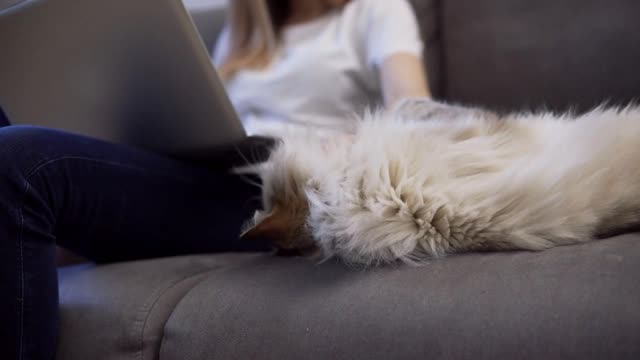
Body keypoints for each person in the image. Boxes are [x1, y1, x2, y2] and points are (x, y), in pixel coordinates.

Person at [0, 0, 429, 359]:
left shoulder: (375, 9)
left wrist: (343, 147)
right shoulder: (240, 38)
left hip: (278, 197)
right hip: (207, 172)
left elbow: (412, 112)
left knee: (20, 158)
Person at [212, 0, 430, 135]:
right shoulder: (241, 33)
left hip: (308, 178)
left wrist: (358, 146)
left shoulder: (376, 9)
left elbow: (411, 110)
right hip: (228, 166)